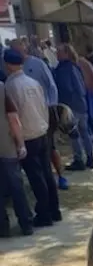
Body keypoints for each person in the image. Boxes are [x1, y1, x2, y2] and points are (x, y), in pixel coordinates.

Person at [3, 49, 61, 227]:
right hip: (42, 130)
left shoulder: (10, 87)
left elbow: (13, 114)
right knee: (47, 173)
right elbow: (44, 106)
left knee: (36, 177)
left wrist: (17, 139)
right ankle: (54, 209)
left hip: (27, 134)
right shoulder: (33, 82)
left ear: (8, 65)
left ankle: (43, 214)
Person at [0, 78, 33, 236]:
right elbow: (13, 119)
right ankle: (26, 223)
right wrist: (21, 144)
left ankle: (2, 227)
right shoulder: (2, 88)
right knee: (16, 186)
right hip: (5, 145)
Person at [55, 43, 93, 170]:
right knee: (84, 132)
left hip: (71, 106)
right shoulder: (74, 67)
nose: (57, 54)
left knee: (74, 134)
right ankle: (90, 157)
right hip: (81, 103)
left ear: (66, 53)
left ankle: (79, 160)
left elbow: (66, 87)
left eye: (59, 52)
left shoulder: (64, 69)